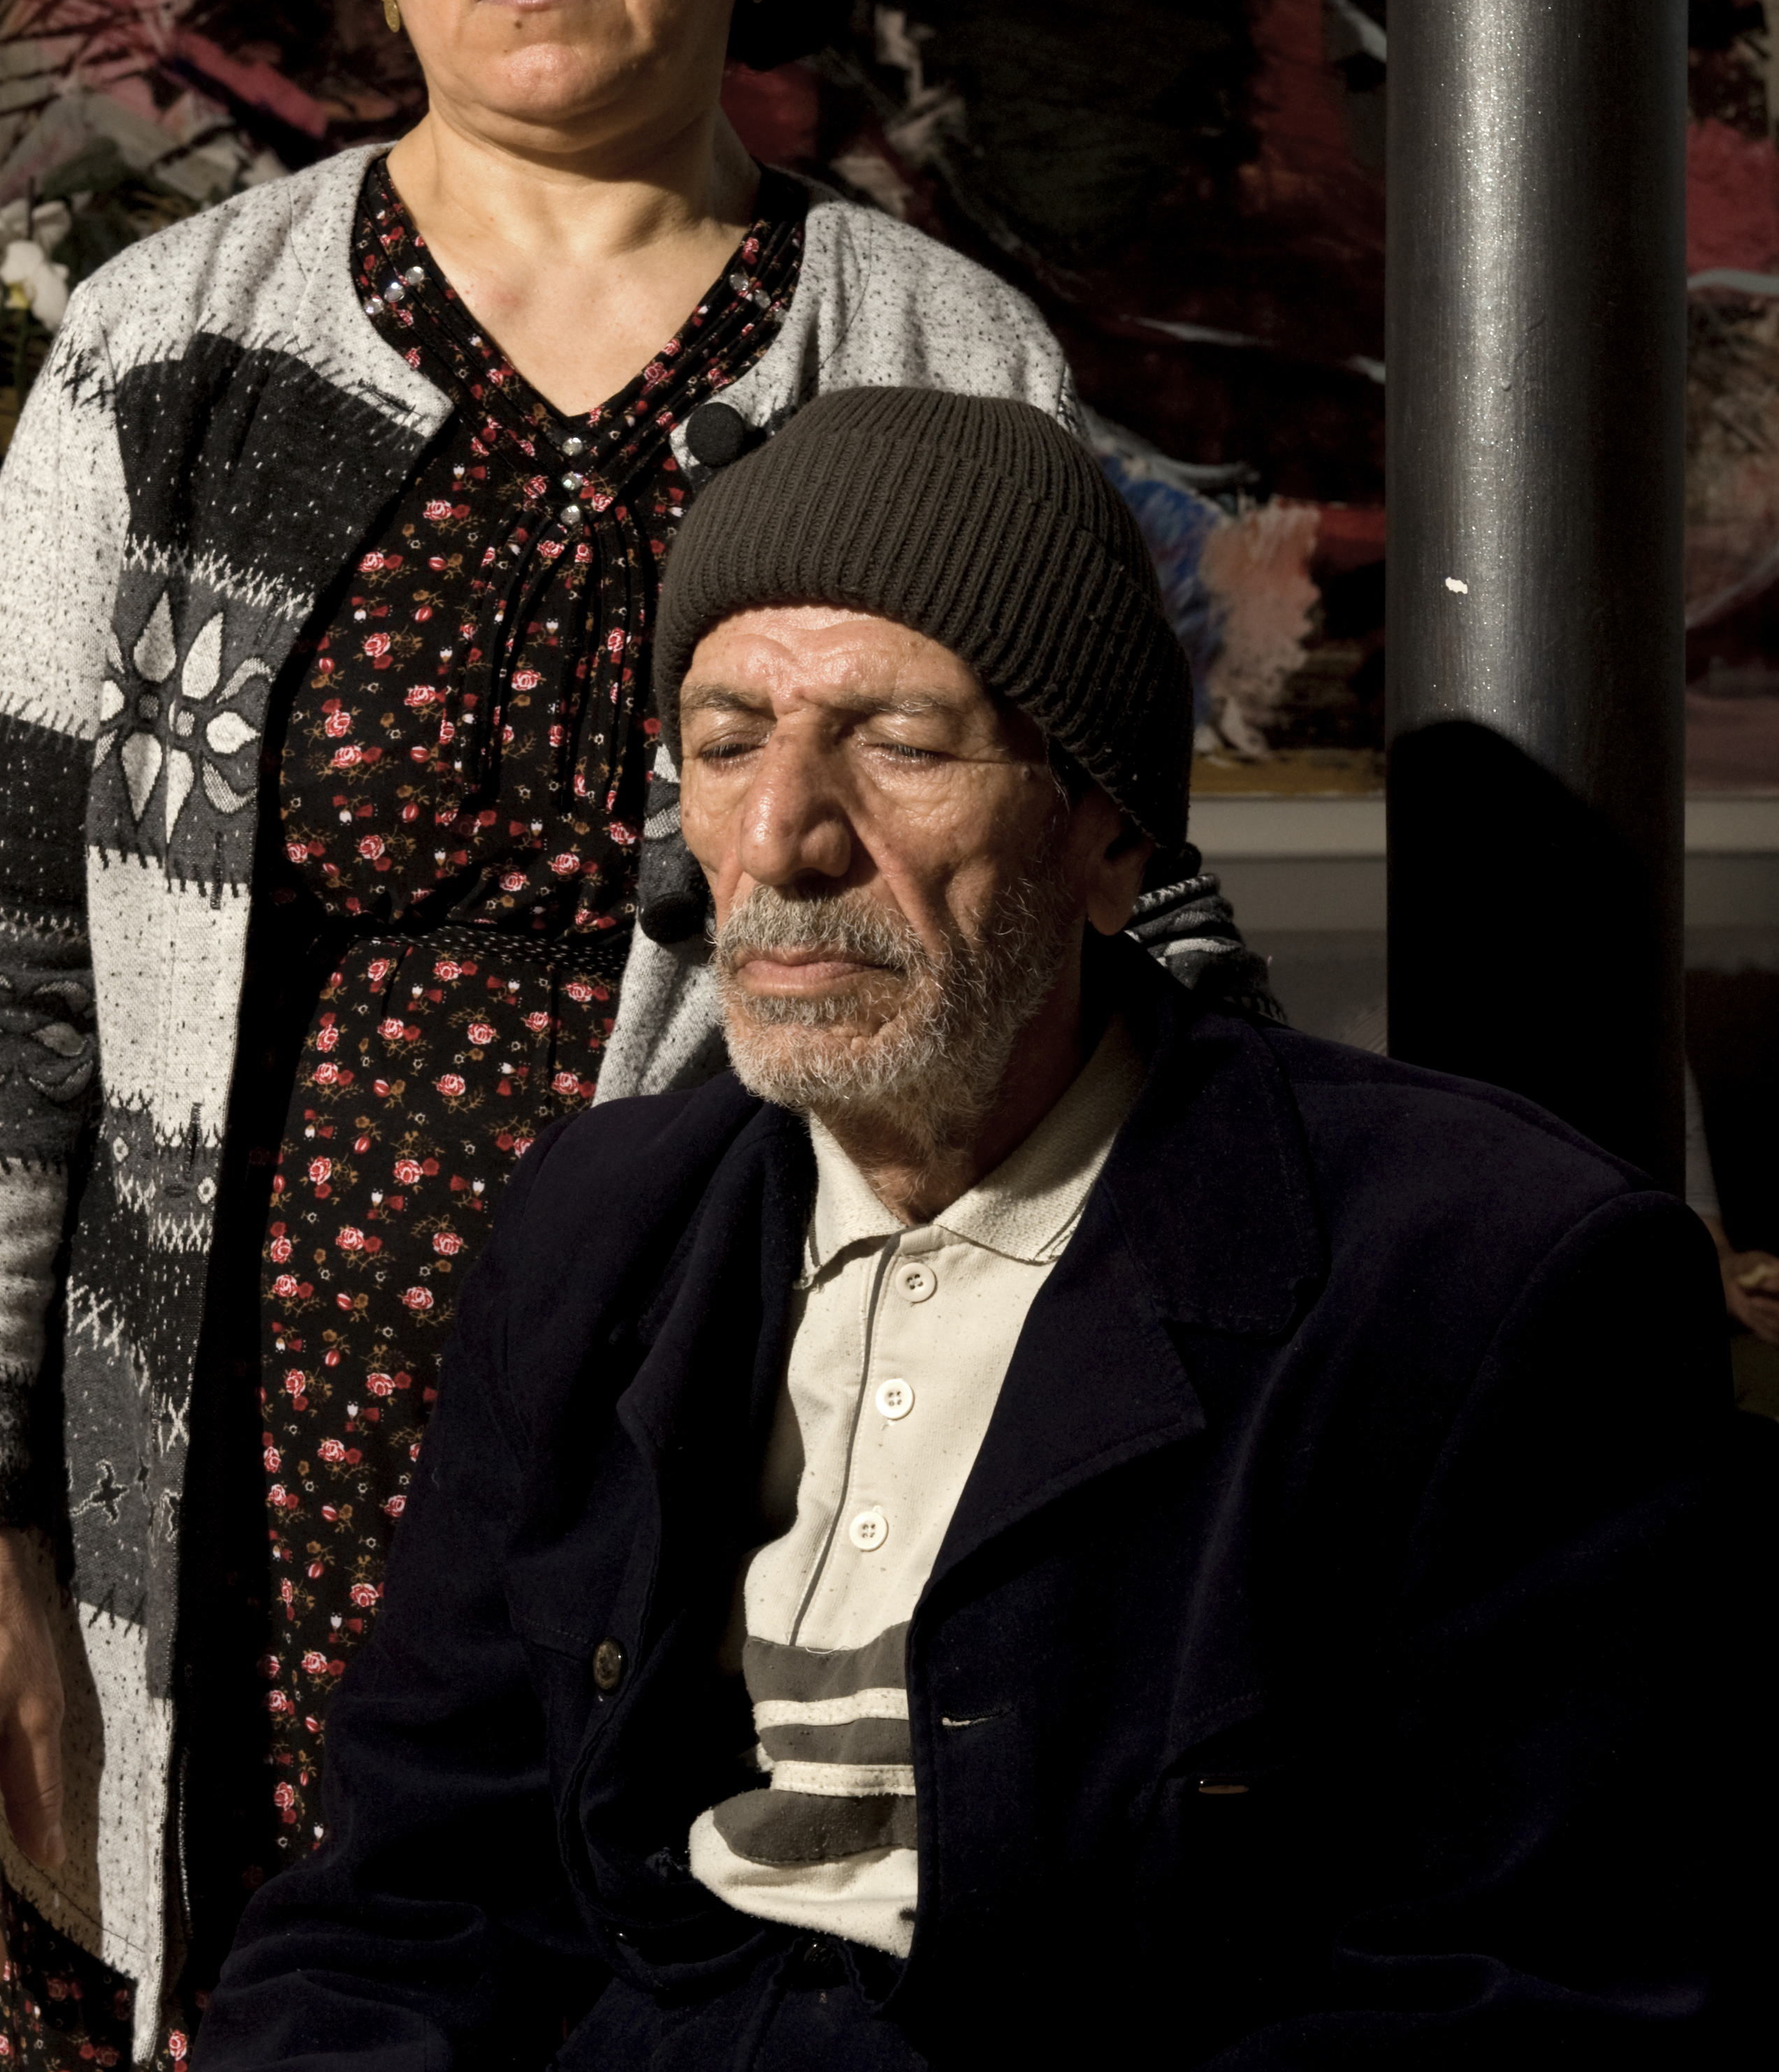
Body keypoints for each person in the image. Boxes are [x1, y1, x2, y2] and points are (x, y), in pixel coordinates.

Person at [0, 0, 1272, 2072]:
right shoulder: (171, 355)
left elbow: (1128, 933)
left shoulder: (933, 361)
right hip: (230, 1538)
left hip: (761, 1525)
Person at [198, 388, 1732, 2072]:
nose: (783, 837)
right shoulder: (604, 1223)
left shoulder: (1479, 1274)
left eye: (902, 743)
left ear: (1107, 833)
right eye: (728, 740)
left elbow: (1531, 1992)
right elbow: (409, 1898)